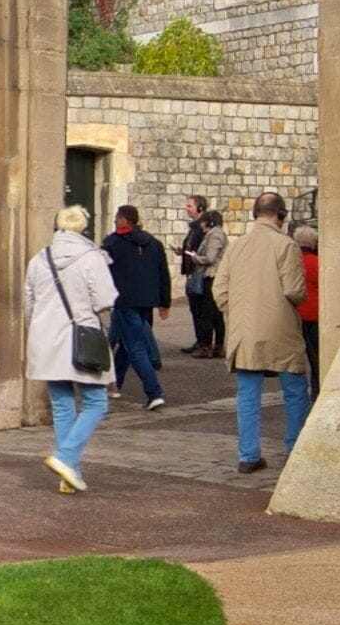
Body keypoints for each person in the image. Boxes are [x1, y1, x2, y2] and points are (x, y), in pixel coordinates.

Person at [211, 189, 311, 473]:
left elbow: (219, 288)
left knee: (247, 394)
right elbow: (294, 290)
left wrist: (237, 310)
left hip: (244, 328)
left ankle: (249, 455)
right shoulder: (286, 245)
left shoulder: (237, 245)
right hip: (279, 326)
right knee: (294, 389)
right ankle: (293, 447)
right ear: (280, 216)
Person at [23, 203, 120, 492]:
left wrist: (40, 328)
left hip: (47, 339)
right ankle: (66, 457)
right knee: (96, 401)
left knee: (63, 404)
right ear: (83, 229)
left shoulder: (40, 258)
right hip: (81, 336)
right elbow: (105, 299)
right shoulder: (92, 258)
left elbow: (29, 302)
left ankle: (70, 472)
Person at [100, 204, 174, 409]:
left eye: (117, 218)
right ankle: (114, 383)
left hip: (124, 301)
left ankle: (154, 393)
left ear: (123, 220)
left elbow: (100, 272)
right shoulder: (154, 243)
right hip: (146, 302)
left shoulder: (112, 243)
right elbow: (163, 274)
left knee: (136, 348)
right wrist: (164, 302)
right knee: (125, 345)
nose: (115, 222)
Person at [177, 195, 225, 357]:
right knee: (207, 312)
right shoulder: (206, 233)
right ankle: (210, 344)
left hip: (210, 276)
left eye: (190, 205)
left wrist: (195, 257)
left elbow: (210, 257)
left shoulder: (214, 235)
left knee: (207, 312)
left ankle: (208, 345)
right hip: (205, 274)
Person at [294, 216, 324, 379]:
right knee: (316, 357)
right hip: (314, 313)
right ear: (313, 243)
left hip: (294, 313)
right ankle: (316, 388)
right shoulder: (319, 262)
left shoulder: (292, 262)